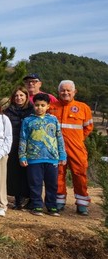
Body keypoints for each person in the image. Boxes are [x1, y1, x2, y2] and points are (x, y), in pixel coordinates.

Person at [50, 80, 93, 214]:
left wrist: (77, 140)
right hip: (56, 149)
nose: (65, 93)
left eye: (69, 90)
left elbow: (88, 127)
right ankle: (59, 201)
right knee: (58, 175)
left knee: (79, 174)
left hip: (77, 149)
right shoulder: (51, 107)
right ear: (58, 92)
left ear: (74, 92)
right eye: (63, 90)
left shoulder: (83, 107)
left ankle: (82, 204)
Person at [19, 93, 67, 216]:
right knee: (35, 183)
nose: (39, 108)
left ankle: (52, 206)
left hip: (52, 158)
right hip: (34, 158)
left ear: (48, 106)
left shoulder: (53, 120)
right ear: (33, 105)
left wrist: (62, 155)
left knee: (52, 184)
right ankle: (37, 205)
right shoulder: (27, 120)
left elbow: (59, 138)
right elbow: (23, 139)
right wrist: (22, 155)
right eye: (37, 105)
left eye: (42, 105)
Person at [4, 86, 34, 209]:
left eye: (21, 95)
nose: (19, 98)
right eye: (16, 96)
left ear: (26, 97)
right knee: (15, 174)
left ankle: (31, 199)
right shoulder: (8, 112)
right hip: (14, 146)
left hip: (31, 147)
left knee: (30, 174)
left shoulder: (33, 110)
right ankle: (18, 199)